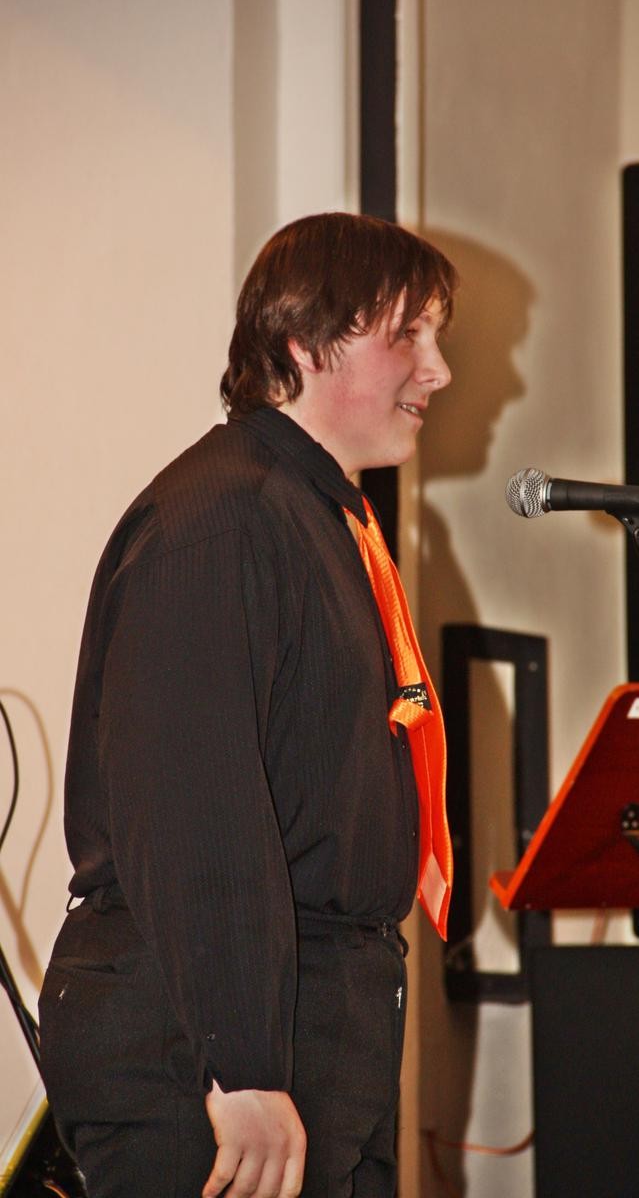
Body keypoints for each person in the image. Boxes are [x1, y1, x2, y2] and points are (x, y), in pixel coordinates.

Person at [39, 211, 456, 1198]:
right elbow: (191, 804)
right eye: (408, 333)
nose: (437, 370)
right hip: (204, 1046)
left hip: (316, 1020)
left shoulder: (319, 518)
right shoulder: (223, 517)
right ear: (305, 342)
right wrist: (243, 1061)